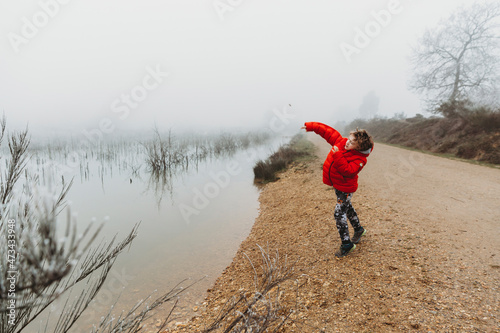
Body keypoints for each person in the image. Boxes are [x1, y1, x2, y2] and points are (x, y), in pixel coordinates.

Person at [301, 122, 374, 258]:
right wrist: (311, 126)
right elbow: (328, 132)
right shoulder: (342, 142)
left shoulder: (360, 159)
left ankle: (346, 244)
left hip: (346, 189)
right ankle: (358, 230)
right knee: (347, 208)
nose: (347, 143)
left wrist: (337, 155)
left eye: (351, 143)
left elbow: (348, 171)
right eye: (349, 139)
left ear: (358, 148)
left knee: (339, 213)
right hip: (338, 186)